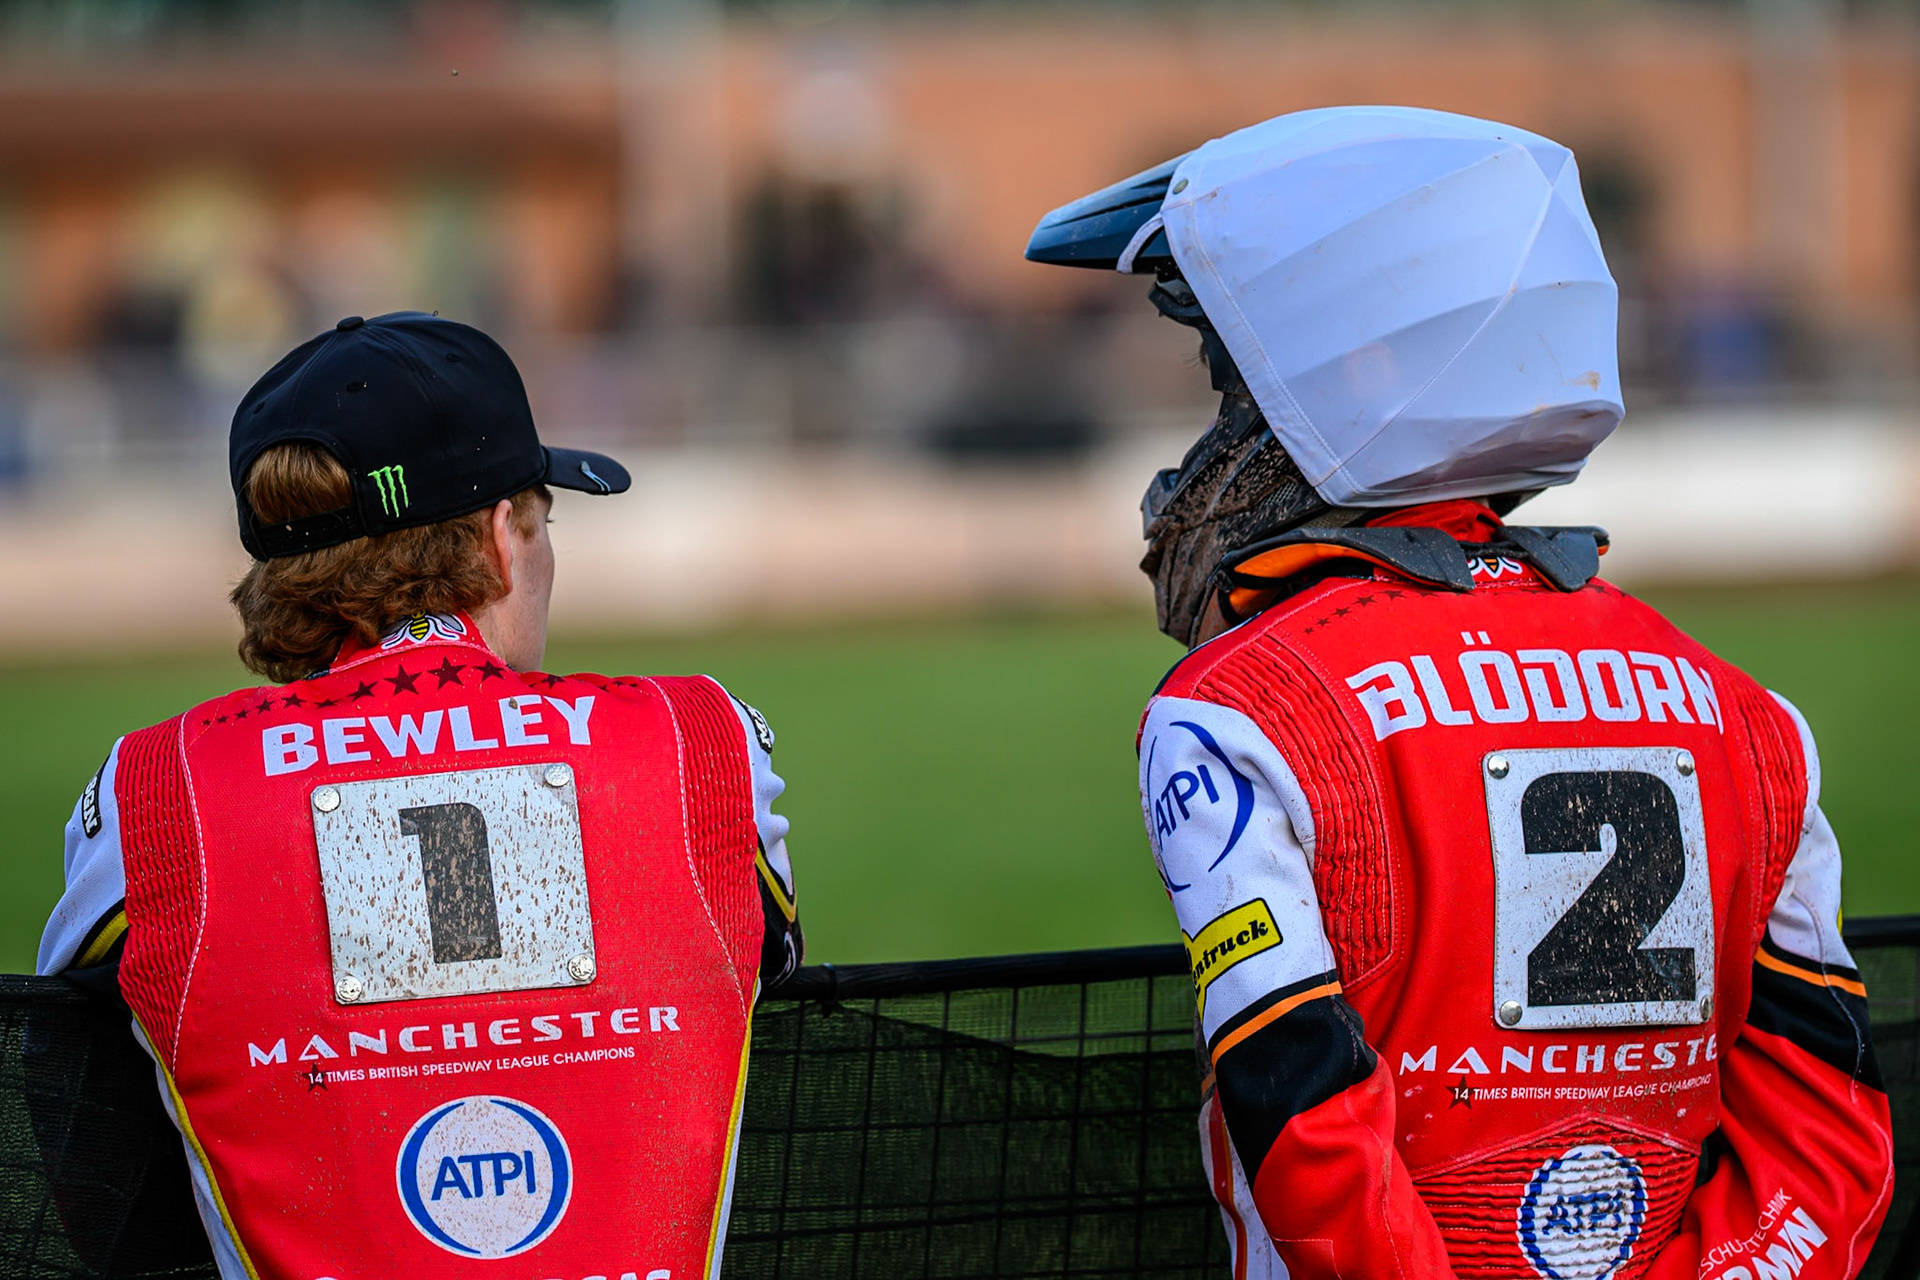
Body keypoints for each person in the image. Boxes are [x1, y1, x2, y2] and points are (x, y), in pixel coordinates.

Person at [1028, 108, 1892, 1279]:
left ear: (1351, 369)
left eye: (1230, 394)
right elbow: (1829, 1120)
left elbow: (1306, 1114)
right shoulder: (1747, 718)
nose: (1209, 447)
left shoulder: (1236, 711)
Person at [36, 312, 802, 1279]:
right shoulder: (705, 742)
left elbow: (80, 1094)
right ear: (499, 538)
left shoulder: (150, 787)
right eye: (542, 517)